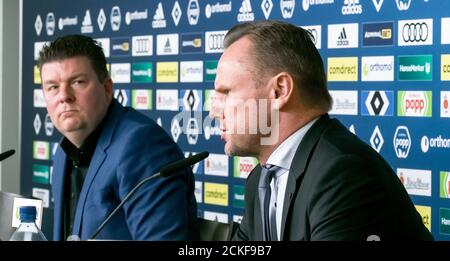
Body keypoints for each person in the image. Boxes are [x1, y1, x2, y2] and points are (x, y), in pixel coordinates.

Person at [210, 20, 433, 241]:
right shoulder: (260, 179)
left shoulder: (342, 173)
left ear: (279, 91)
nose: (214, 112)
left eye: (227, 92)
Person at [38, 35, 198, 241]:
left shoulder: (142, 144)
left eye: (77, 82)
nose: (64, 96)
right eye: (52, 87)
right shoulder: (63, 153)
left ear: (106, 88)